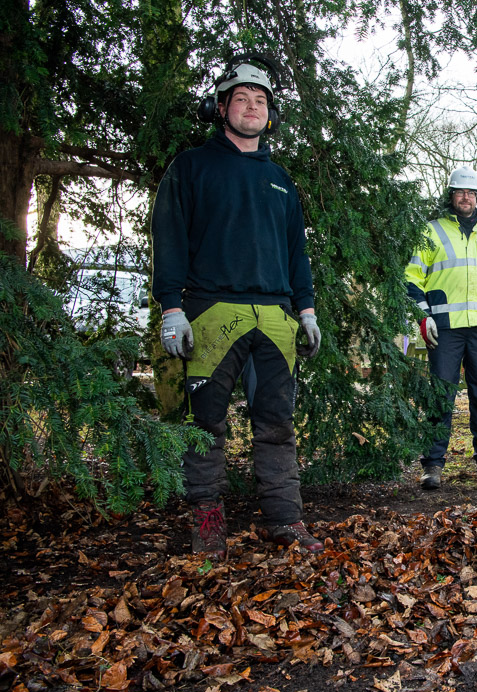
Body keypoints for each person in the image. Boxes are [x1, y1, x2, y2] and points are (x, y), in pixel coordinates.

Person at [151, 61, 324, 559]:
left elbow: (296, 253)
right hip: (210, 311)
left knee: (277, 423)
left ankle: (285, 518)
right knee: (206, 424)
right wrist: (171, 309)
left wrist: (306, 312)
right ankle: (206, 522)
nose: (252, 107)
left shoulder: (280, 180)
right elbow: (169, 240)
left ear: (269, 115)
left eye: (261, 100)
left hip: (274, 315)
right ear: (221, 107)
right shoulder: (191, 167)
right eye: (242, 98)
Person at [405, 167, 477, 490]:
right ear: (451, 196)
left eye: (471, 193)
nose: (465, 198)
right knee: (442, 395)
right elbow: (412, 278)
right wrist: (424, 316)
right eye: (459, 192)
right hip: (445, 327)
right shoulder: (431, 232)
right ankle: (433, 464)